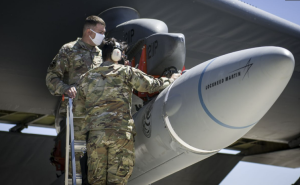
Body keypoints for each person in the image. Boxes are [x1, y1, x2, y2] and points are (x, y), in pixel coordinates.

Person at [74, 38, 181, 185]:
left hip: (96, 137)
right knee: (117, 180)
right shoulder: (125, 72)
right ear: (116, 54)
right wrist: (171, 79)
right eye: (123, 54)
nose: (124, 58)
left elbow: (78, 113)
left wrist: (79, 141)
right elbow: (150, 85)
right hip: (120, 135)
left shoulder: (86, 78)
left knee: (97, 181)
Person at [46, 15, 106, 175]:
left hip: (97, 113)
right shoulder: (68, 49)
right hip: (76, 113)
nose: (103, 35)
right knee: (78, 160)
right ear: (89, 31)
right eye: (101, 32)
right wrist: (65, 88)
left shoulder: (99, 53)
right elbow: (51, 78)